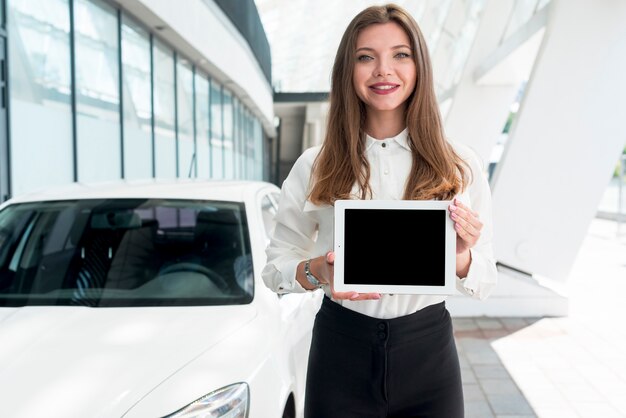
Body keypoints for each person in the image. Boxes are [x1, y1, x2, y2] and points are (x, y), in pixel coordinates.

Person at [262, 3, 497, 418]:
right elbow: (276, 267)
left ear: (419, 66)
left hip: (429, 354)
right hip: (340, 349)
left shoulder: (460, 165)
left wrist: (460, 258)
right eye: (365, 57)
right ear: (347, 71)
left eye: (400, 55)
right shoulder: (315, 165)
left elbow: (486, 276)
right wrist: (321, 270)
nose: (383, 70)